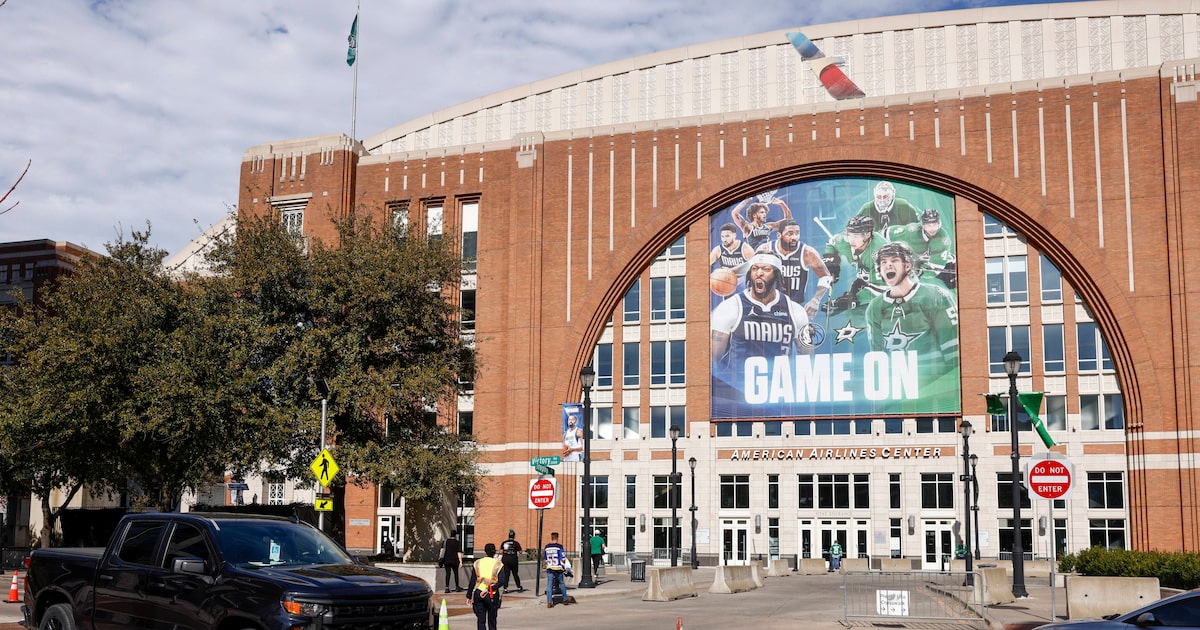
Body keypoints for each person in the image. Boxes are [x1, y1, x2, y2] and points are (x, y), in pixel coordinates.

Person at [711, 250, 815, 374]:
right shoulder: (731, 307)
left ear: (777, 275)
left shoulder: (795, 310)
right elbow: (712, 359)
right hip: (739, 387)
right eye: (754, 269)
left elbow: (808, 358)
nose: (759, 273)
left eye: (766, 269)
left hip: (780, 386)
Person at [864, 241, 960, 370]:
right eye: (883, 262)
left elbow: (953, 353)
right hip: (897, 384)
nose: (888, 265)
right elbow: (877, 356)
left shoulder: (935, 296)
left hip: (934, 381)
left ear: (908, 266)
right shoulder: (875, 307)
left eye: (894, 260)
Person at [821, 215, 887, 320]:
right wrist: (831, 265)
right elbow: (831, 243)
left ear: (868, 235)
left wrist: (852, 300)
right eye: (849, 235)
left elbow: (883, 288)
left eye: (856, 236)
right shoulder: (844, 241)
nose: (851, 240)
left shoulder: (880, 253)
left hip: (889, 285)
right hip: (863, 280)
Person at [883, 207, 957, 289]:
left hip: (940, 263)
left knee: (952, 281)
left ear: (939, 223)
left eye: (935, 225)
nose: (932, 229)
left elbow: (935, 270)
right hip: (916, 260)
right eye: (928, 225)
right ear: (922, 225)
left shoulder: (943, 239)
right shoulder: (911, 232)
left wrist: (918, 273)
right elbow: (886, 233)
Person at [772, 220, 833, 316]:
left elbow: (826, 277)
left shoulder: (807, 253)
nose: (794, 237)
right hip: (770, 307)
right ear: (779, 235)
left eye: (797, 233)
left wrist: (815, 300)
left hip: (795, 307)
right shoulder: (766, 249)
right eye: (790, 234)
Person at [465, 542, 509, 630]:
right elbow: (502, 581)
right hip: (491, 594)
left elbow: (472, 580)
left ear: (485, 552)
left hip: (479, 593)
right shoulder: (498, 564)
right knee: (492, 620)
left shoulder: (477, 563)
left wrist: (469, 596)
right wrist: (490, 588)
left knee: (481, 620)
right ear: (494, 552)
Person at [854, 180, 919, 232]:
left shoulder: (904, 206)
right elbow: (853, 229)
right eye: (879, 197)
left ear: (893, 193)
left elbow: (917, 228)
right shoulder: (866, 208)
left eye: (885, 197)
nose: (882, 201)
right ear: (874, 194)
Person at [543, 531, 570, 608]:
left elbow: (545, 559)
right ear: (557, 538)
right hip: (558, 568)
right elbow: (563, 558)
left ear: (551, 537)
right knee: (561, 583)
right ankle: (565, 599)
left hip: (550, 567)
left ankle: (549, 601)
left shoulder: (547, 547)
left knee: (549, 585)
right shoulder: (559, 547)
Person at [500, 529, 525, 593]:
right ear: (514, 536)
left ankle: (505, 588)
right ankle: (519, 587)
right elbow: (520, 552)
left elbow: (501, 551)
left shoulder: (504, 543)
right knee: (515, 574)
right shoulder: (516, 543)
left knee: (506, 574)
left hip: (505, 560)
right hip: (513, 560)